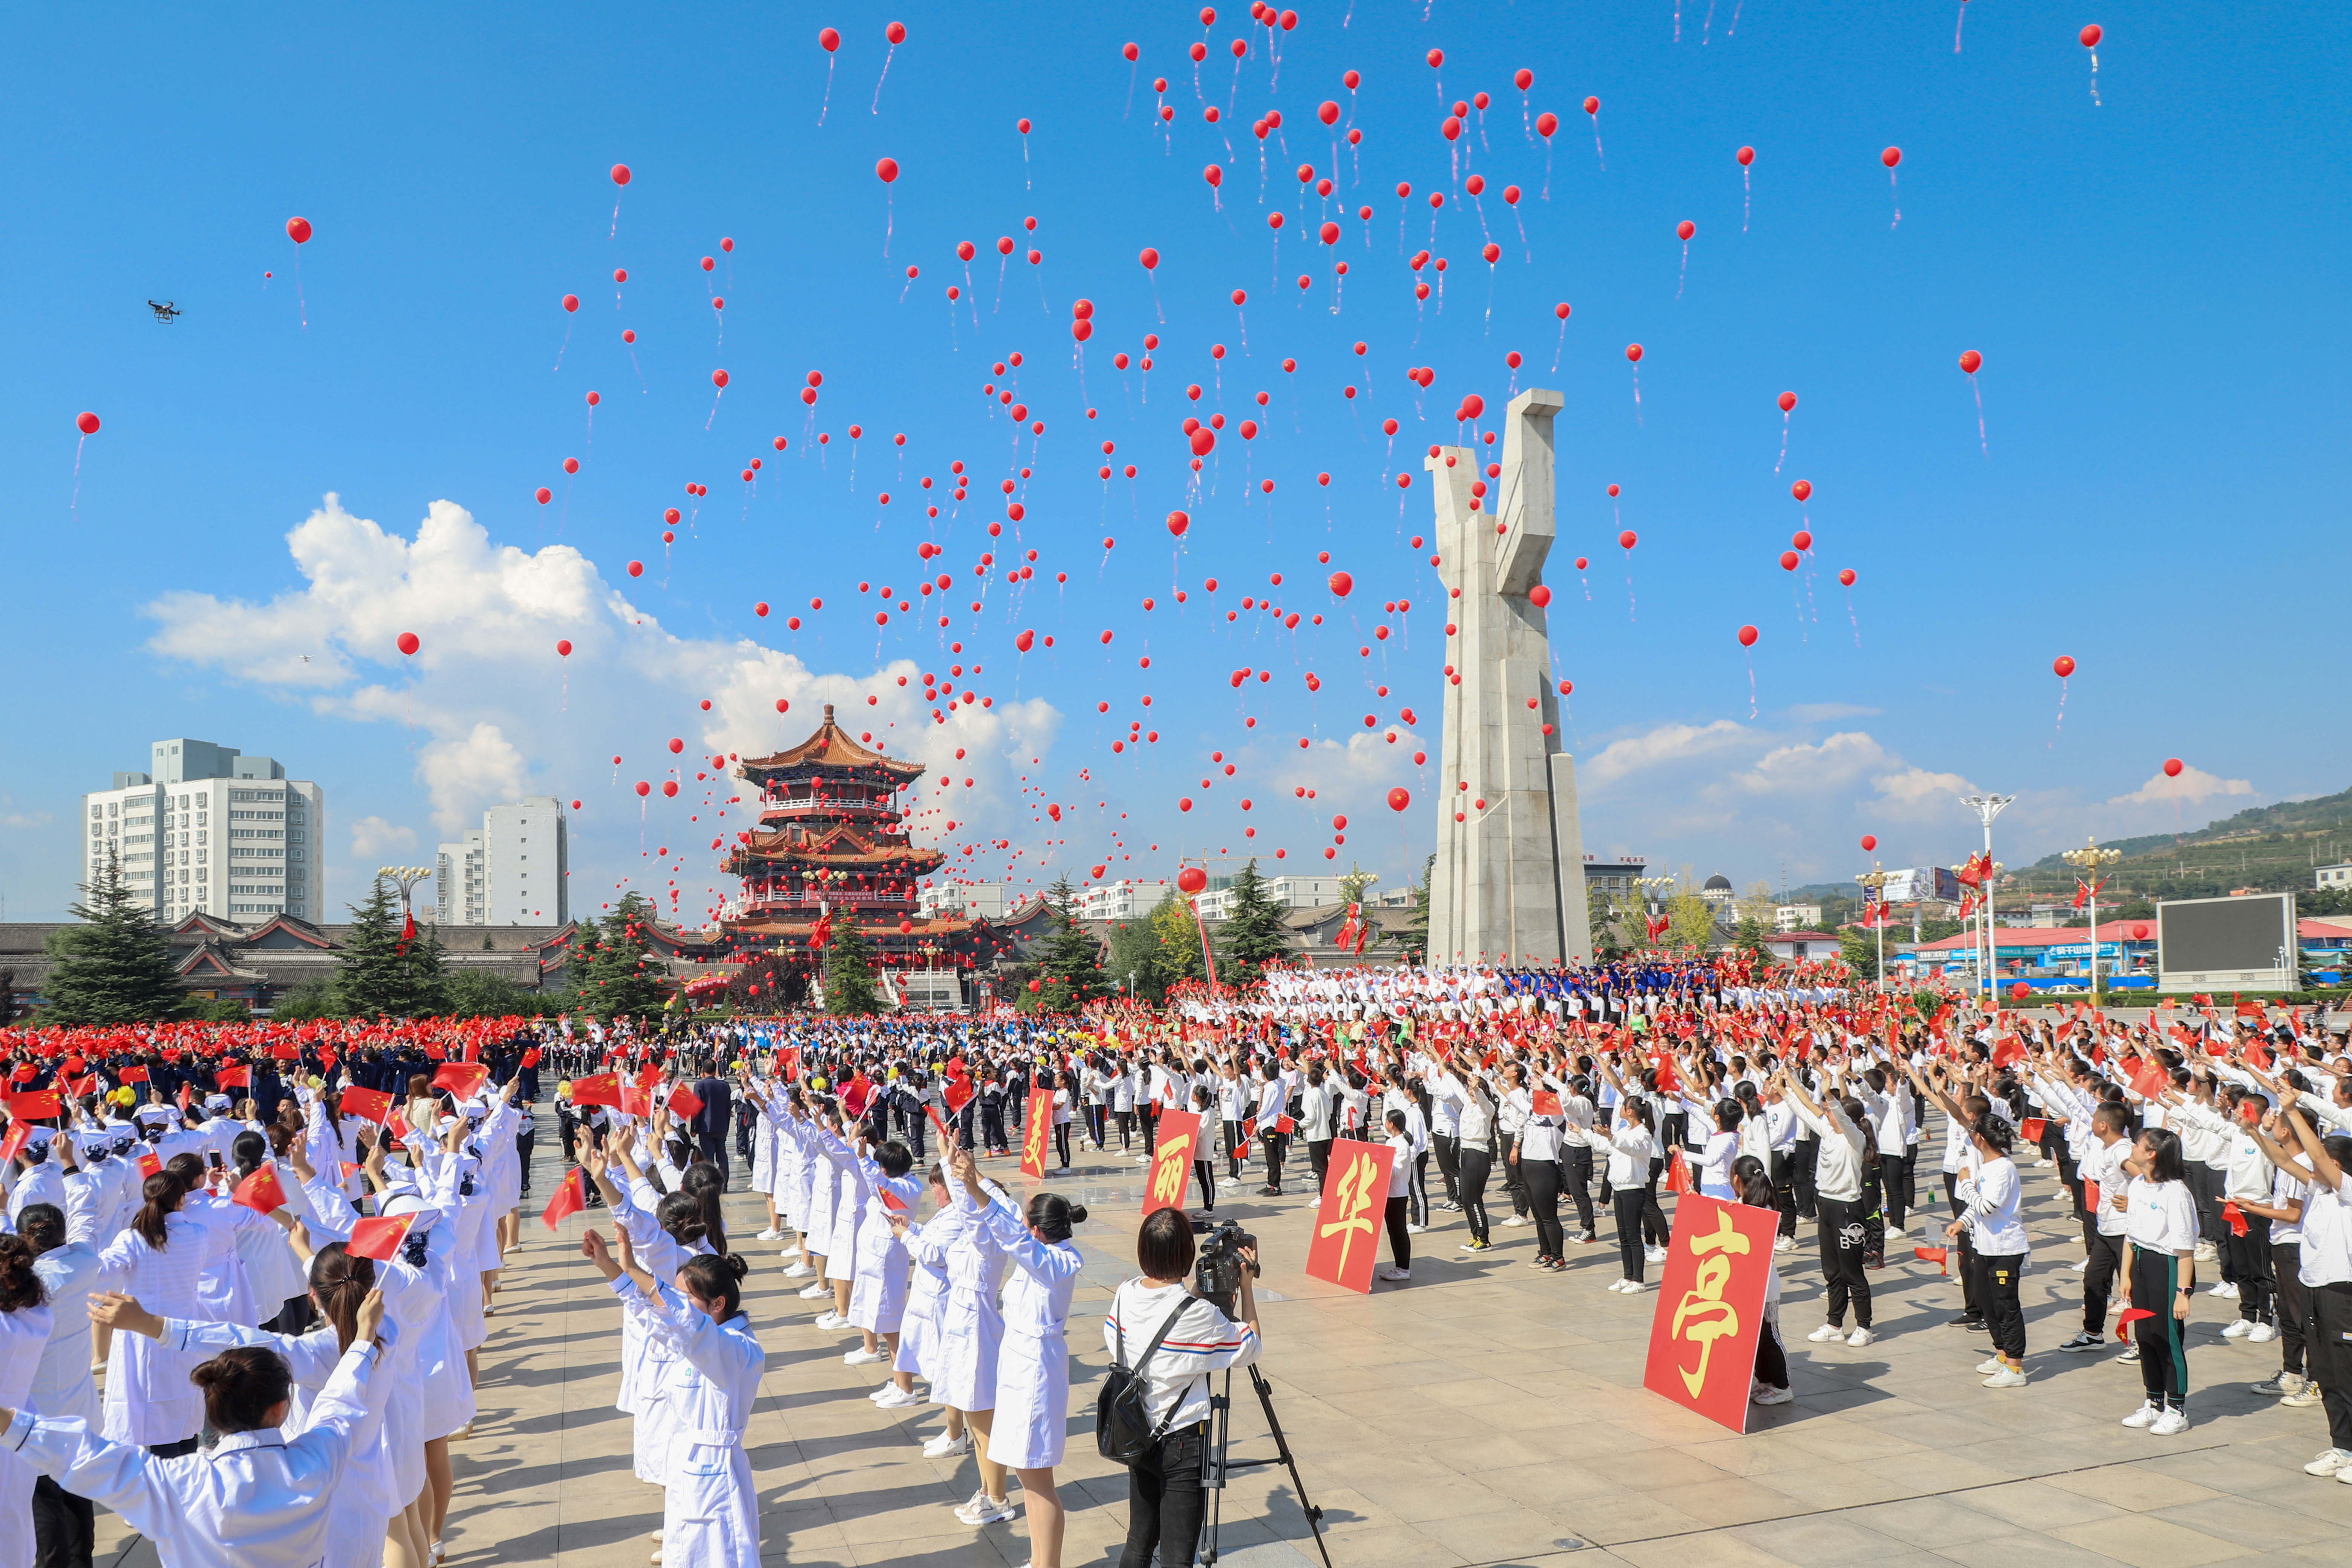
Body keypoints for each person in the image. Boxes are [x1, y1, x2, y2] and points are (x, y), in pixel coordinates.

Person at [0, 1289, 391, 1568]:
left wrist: (7, 1420)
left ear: (213, 1404)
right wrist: (361, 1340)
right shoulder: (319, 1458)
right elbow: (342, 1402)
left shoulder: (181, 1483)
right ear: (282, 1408)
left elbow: (82, 1454)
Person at [583, 1233, 763, 1568]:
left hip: (716, 1472)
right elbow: (652, 1316)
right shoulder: (699, 1337)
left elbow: (686, 1323)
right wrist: (610, 1266)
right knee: (686, 1556)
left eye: (685, 1297)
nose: (675, 1305)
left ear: (718, 1303)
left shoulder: (737, 1349)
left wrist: (637, 1270)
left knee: (722, 1557)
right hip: (688, 1466)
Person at [1103, 1207, 1263, 1568]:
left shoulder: (1124, 1294)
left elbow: (1134, 1333)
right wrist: (1248, 1287)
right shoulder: (1198, 1316)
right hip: (1181, 1444)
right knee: (1178, 1559)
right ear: (1188, 1257)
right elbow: (1250, 1346)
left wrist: (1193, 1296)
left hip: (1138, 1434)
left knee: (1139, 1543)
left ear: (1144, 1251)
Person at [967, 1149, 1087, 1566]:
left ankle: (1048, 1563)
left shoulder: (1057, 1261)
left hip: (1037, 1368)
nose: (1019, 1225)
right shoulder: (1044, 1247)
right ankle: (1040, 1561)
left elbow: (1011, 1233)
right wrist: (976, 1177)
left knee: (1038, 1478)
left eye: (1026, 1223)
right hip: (1021, 1363)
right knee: (1026, 1472)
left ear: (1037, 1232)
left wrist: (971, 1189)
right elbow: (1007, 1214)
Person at [1781, 1065, 1874, 1348]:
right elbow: (1804, 1110)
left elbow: (1841, 1117)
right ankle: (1835, 1324)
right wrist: (1785, 1085)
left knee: (1852, 1272)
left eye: (1832, 1111)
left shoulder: (1855, 1137)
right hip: (1827, 1206)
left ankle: (1864, 1327)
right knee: (1831, 1270)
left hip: (1849, 1209)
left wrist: (1828, 1091)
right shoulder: (1829, 1131)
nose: (1827, 1114)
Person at [2117, 1125, 2200, 1434]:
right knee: (2145, 1336)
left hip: (2166, 1267)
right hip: (2139, 1263)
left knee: (2168, 1337)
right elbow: (2131, 1233)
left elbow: (2185, 1248)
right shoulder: (2138, 1184)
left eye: (2138, 1144)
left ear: (2151, 1154)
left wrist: (2183, 1292)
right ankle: (2154, 1402)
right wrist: (2125, 1274)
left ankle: (2177, 1408)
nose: (2134, 1148)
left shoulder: (2176, 1192)